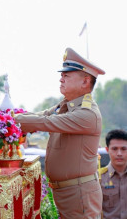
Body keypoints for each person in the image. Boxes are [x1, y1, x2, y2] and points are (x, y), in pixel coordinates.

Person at [14, 47, 105, 219]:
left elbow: (45, 122)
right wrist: (8, 117)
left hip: (79, 194)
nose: (61, 78)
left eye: (67, 75)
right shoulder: (66, 105)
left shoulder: (87, 114)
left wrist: (8, 121)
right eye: (62, 74)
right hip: (68, 191)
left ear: (85, 82)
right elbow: (40, 115)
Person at [99, 129, 127, 219]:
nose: (119, 153)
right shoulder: (99, 178)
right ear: (107, 149)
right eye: (114, 149)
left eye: (123, 149)